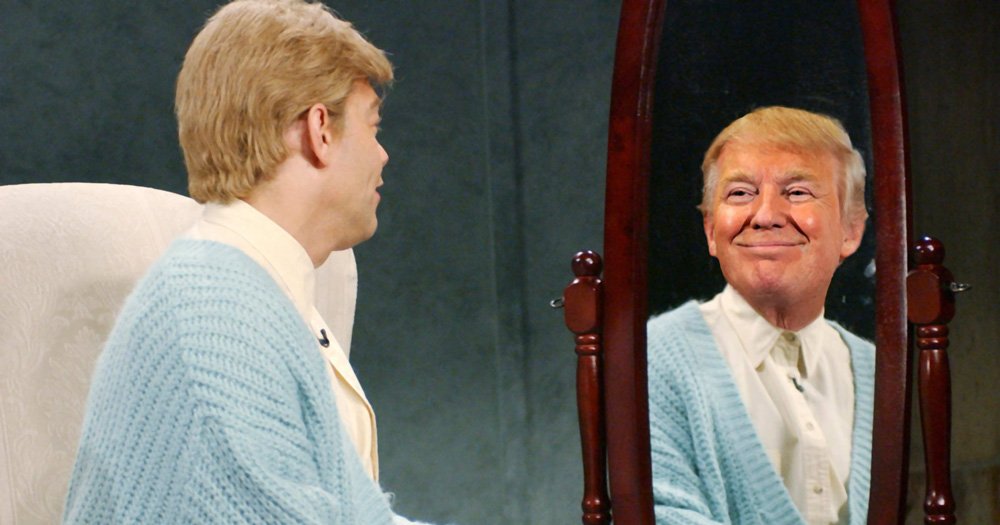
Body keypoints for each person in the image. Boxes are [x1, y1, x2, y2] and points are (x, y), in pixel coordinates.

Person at [63, 1, 429, 523]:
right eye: (373, 125)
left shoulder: (250, 290)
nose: (383, 154)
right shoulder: (217, 321)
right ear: (320, 130)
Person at [647, 106, 874, 525]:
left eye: (797, 192)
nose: (766, 216)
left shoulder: (880, 372)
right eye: (740, 193)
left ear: (851, 230)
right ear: (710, 230)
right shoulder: (655, 357)